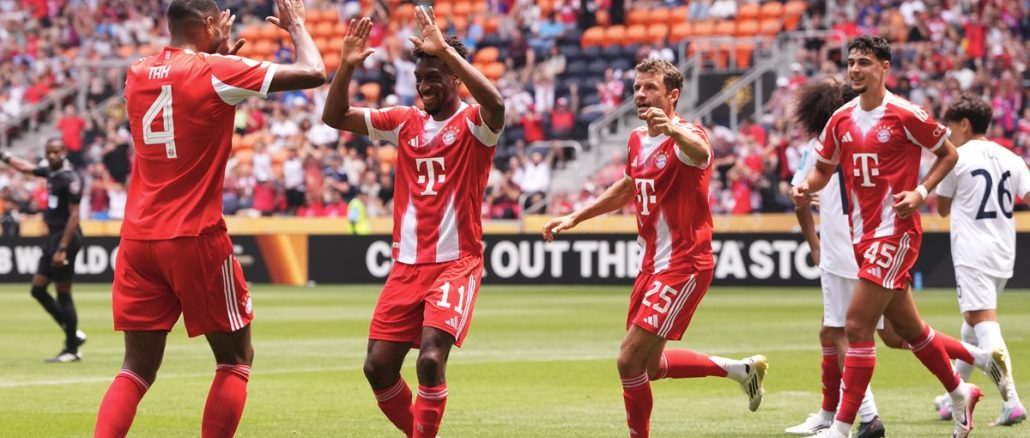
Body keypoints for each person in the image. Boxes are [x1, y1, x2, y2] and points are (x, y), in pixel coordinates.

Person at [93, 0, 326, 436]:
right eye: (220, 20)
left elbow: (184, 105)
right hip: (193, 235)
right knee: (235, 359)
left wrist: (220, 59)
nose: (225, 26)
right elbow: (313, 71)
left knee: (136, 368)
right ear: (207, 23)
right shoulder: (216, 70)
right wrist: (296, 26)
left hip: (138, 238)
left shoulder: (137, 72)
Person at [542, 59, 767, 438]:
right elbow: (630, 185)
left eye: (651, 88)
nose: (641, 94)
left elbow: (701, 153)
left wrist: (673, 129)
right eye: (637, 87)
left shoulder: (686, 135)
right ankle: (740, 370)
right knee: (647, 367)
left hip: (684, 263)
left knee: (628, 360)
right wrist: (577, 216)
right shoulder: (636, 139)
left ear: (672, 96)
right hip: (651, 265)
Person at [785, 79, 1009, 438]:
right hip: (860, 242)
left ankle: (853, 421)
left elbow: (802, 195)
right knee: (902, 330)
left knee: (847, 329)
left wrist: (814, 242)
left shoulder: (836, 138)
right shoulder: (845, 130)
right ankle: (963, 380)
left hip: (863, 244)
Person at [320, 7, 504, 437]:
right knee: (377, 367)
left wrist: (448, 52)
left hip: (455, 263)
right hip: (406, 266)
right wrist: (346, 66)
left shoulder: (475, 125)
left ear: (455, 78)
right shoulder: (404, 122)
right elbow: (334, 116)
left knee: (430, 359)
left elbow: (496, 103)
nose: (425, 86)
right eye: (420, 78)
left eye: (434, 77)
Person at [934, 93, 1028, 427]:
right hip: (1003, 250)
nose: (948, 133)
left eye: (951, 126)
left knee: (984, 324)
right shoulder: (1011, 157)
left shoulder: (955, 157)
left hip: (973, 250)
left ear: (964, 124)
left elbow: (941, 208)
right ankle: (954, 395)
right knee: (972, 324)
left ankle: (1012, 401)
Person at [0, 139, 86, 363]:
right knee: (38, 289)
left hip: (65, 239)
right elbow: (25, 167)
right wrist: (3, 155)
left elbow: (75, 216)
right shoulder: (52, 173)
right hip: (53, 238)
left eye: (56, 151)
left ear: (64, 152)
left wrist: (62, 248)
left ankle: (72, 349)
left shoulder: (69, 179)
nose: (52, 155)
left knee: (63, 292)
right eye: (49, 152)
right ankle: (73, 334)